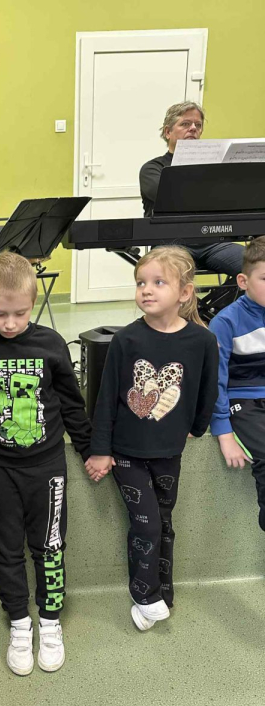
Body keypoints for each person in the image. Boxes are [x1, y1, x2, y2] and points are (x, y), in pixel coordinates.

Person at [0, 252, 92, 676]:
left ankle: (50, 621)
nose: (9, 323)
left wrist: (89, 448)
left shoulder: (51, 344)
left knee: (50, 546)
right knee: (6, 548)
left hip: (47, 465)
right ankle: (20, 623)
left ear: (33, 303)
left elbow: (71, 402)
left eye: (20, 313)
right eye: (0, 313)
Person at [86, 246, 219, 631]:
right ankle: (144, 595)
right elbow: (106, 398)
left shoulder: (201, 341)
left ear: (184, 292)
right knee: (146, 524)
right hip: (127, 453)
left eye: (159, 282)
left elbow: (207, 388)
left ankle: (163, 595)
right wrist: (100, 450)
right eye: (141, 282)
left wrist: (197, 427)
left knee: (164, 522)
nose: (146, 289)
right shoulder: (126, 340)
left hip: (170, 451)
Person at [139, 101, 243, 277]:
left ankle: (227, 296)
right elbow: (167, 197)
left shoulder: (214, 168)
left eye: (198, 125)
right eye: (185, 124)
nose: (193, 128)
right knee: (169, 274)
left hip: (213, 243)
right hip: (170, 244)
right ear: (168, 132)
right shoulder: (153, 168)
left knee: (258, 267)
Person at [209, 237, 265, 530]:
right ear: (243, 281)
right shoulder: (225, 322)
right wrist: (224, 432)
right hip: (241, 399)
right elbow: (214, 382)